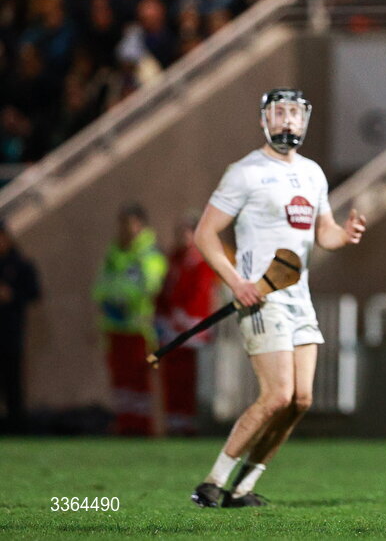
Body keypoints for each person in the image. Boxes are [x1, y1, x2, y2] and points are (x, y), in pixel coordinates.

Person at [191, 89, 367, 508]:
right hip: (260, 296)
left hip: (299, 299)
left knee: (301, 400)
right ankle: (211, 483)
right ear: (263, 120)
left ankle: (244, 487)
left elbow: (322, 233)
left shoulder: (313, 173)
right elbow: (204, 234)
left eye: (294, 114)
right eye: (279, 113)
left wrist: (343, 234)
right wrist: (236, 282)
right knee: (276, 395)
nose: (287, 121)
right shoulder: (245, 172)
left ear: (305, 121)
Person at [92, 203, 168, 435]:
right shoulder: (114, 253)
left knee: (139, 380)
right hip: (115, 326)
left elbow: (149, 286)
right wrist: (110, 299)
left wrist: (122, 298)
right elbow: (99, 286)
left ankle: (141, 426)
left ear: (140, 224)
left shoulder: (149, 254)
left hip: (139, 328)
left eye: (129, 223)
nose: (125, 228)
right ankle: (125, 423)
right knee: (120, 379)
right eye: (122, 223)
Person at [155, 212, 219, 435]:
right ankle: (175, 422)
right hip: (173, 327)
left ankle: (190, 423)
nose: (182, 236)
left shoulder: (202, 259)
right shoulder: (174, 258)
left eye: (186, 231)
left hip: (193, 327)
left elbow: (199, 294)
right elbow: (166, 290)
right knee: (173, 377)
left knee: (189, 378)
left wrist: (182, 317)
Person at [0, 222, 40, 433]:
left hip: (10, 333)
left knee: (12, 383)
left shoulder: (20, 264)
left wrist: (11, 296)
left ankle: (16, 428)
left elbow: (34, 293)